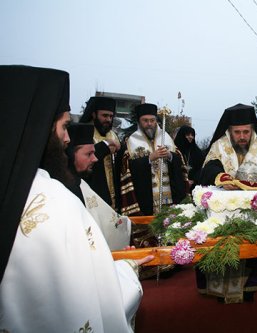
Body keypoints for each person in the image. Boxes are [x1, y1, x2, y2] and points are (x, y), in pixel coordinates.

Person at [0, 65, 152, 332]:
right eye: (63, 127)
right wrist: (127, 268)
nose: (67, 138)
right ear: (38, 129)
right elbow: (93, 296)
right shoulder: (53, 201)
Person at [198, 103, 257, 303]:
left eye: (246, 131)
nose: (242, 136)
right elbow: (209, 168)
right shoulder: (219, 146)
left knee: (251, 249)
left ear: (252, 130)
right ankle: (219, 290)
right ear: (229, 131)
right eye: (237, 132)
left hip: (253, 211)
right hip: (224, 211)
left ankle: (250, 287)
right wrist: (223, 178)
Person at [67, 123, 131, 251]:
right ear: (70, 154)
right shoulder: (63, 189)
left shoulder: (80, 183)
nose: (95, 159)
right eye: (88, 154)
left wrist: (124, 222)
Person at [120, 103, 187, 216]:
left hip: (169, 197)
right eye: (145, 120)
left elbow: (179, 162)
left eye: (152, 120)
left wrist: (170, 156)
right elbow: (127, 167)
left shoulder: (166, 137)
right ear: (139, 122)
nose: (149, 124)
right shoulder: (132, 141)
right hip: (146, 198)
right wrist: (150, 158)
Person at [79, 96, 122, 212]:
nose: (108, 119)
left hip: (113, 198)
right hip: (93, 193)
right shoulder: (84, 133)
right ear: (94, 114)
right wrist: (105, 144)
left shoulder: (113, 135)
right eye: (104, 115)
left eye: (111, 116)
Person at [174, 125, 205, 193]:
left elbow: (201, 168)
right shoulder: (174, 151)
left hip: (194, 186)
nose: (190, 137)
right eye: (188, 134)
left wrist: (194, 180)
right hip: (178, 185)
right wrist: (184, 181)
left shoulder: (197, 152)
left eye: (192, 135)